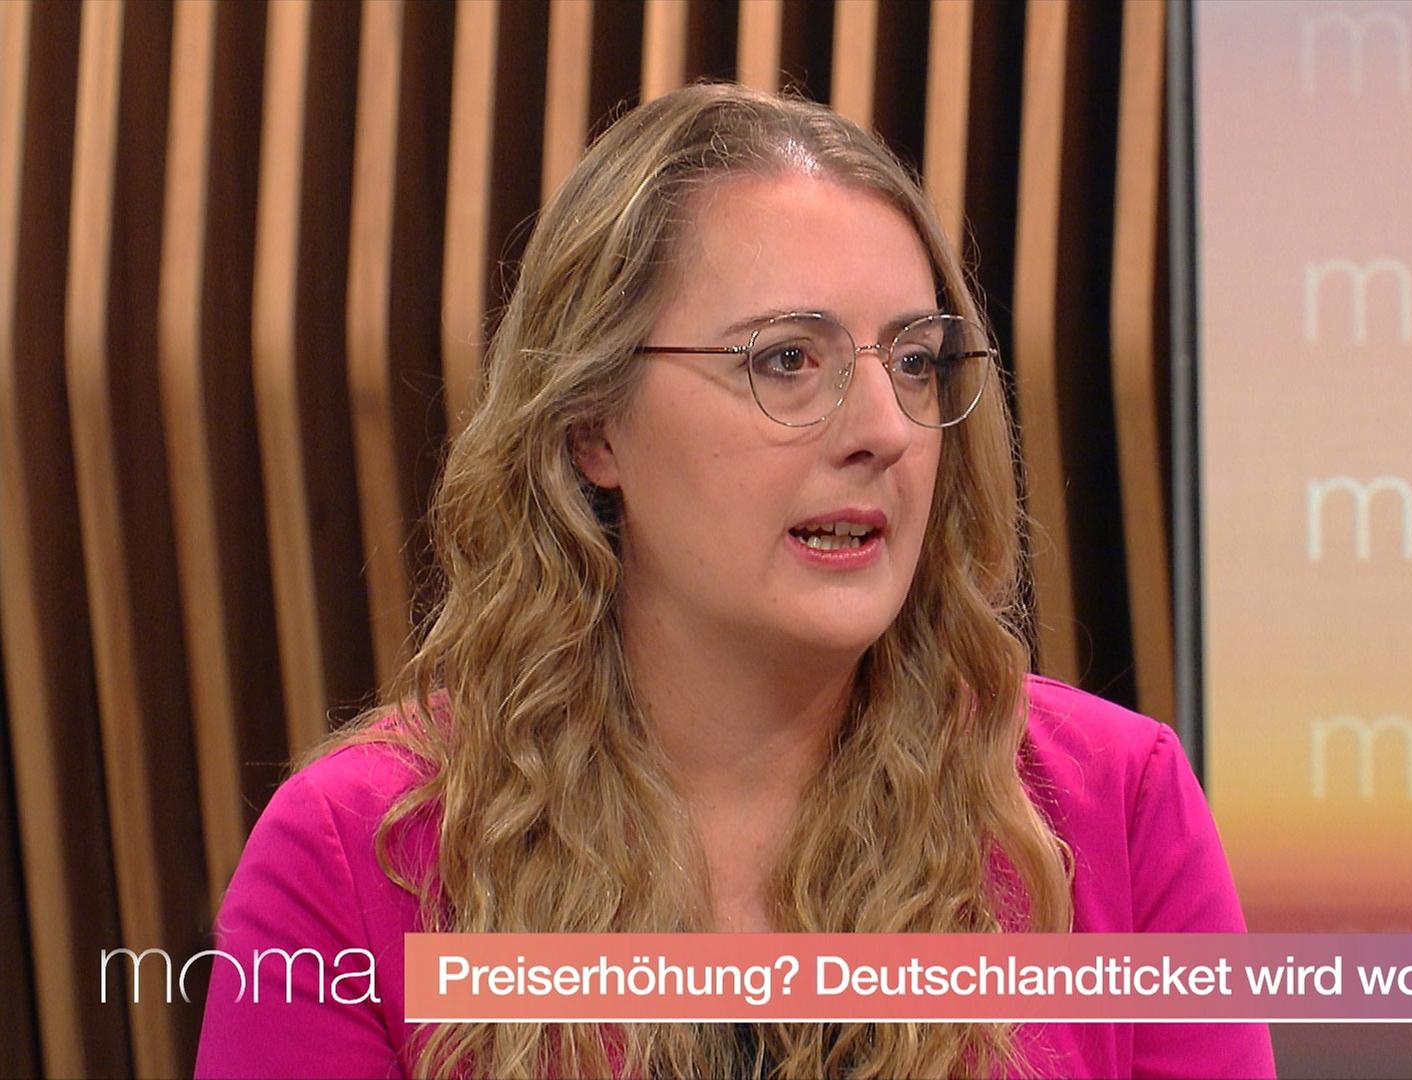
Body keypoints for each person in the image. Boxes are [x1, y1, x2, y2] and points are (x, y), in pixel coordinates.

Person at [195, 82, 1273, 1079]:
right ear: (593, 427)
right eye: (786, 359)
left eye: (914, 362)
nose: (886, 430)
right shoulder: (356, 858)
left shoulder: (1114, 807)